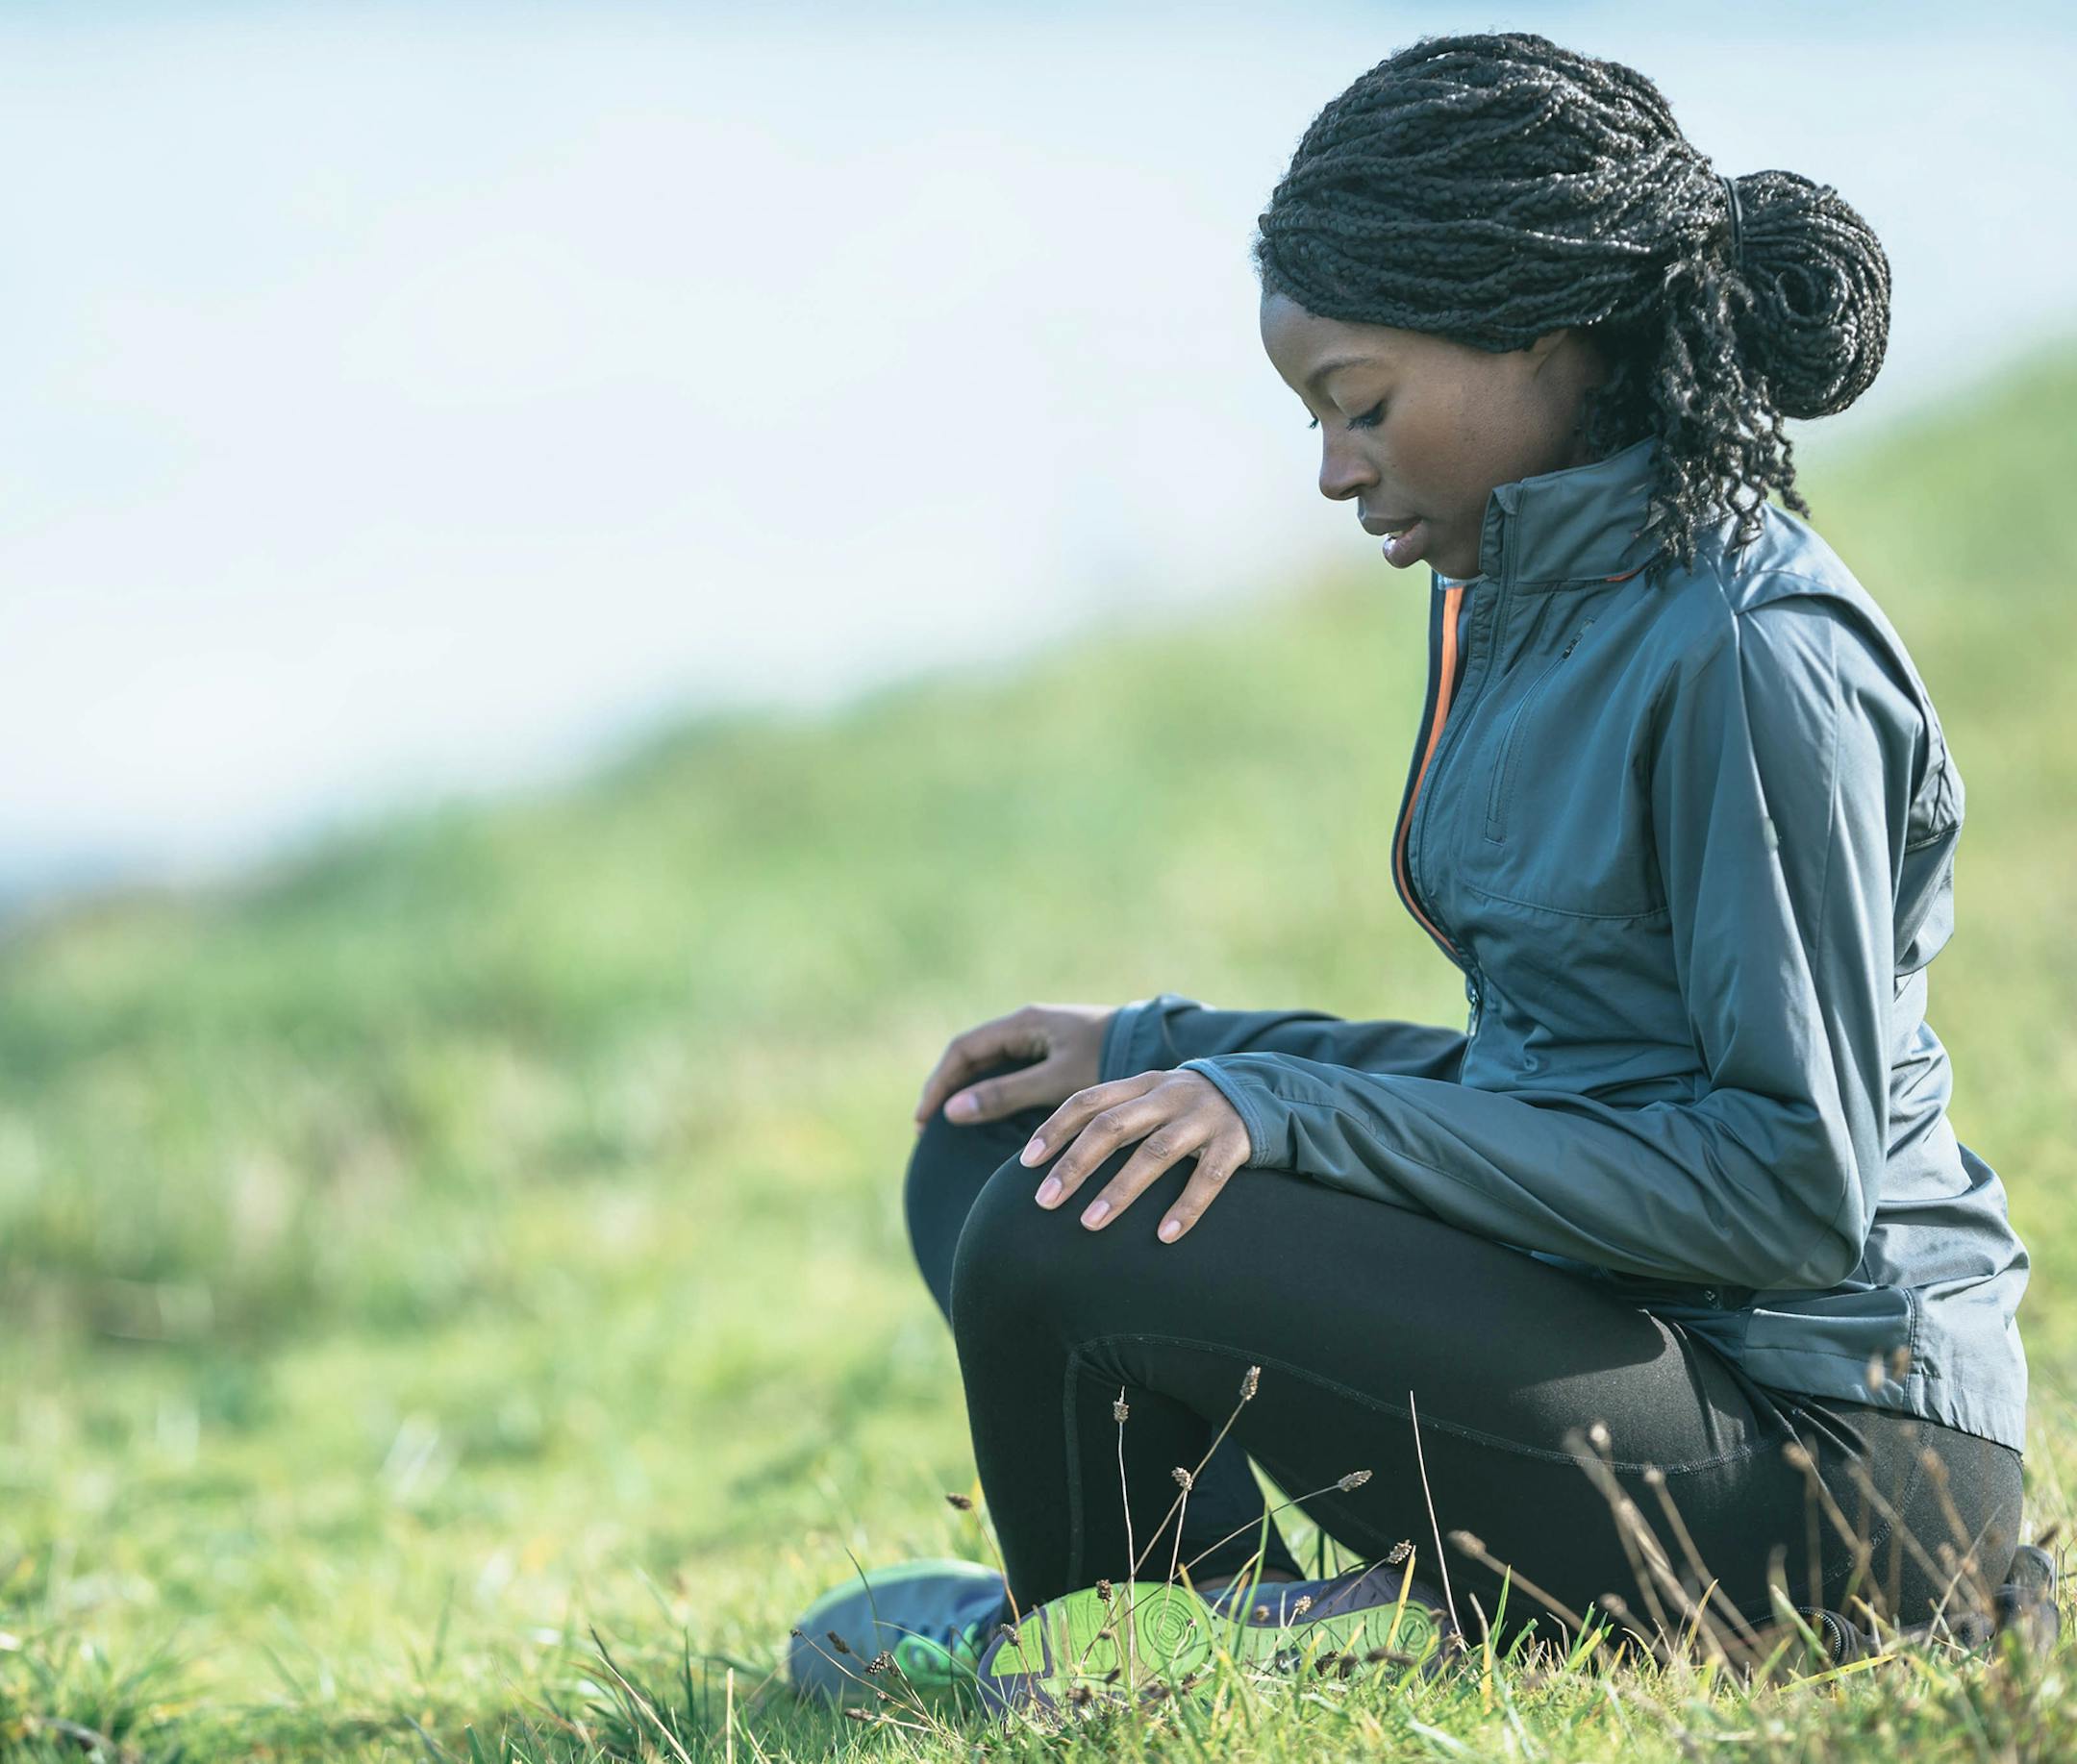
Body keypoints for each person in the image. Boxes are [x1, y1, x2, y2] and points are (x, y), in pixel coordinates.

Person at [789, 31, 2045, 1715]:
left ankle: (1112, 1659)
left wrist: (1285, 1106)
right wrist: (1169, 1050)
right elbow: (1569, 1091)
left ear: (1541, 332)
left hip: (1831, 1464)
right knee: (1014, 1145)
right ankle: (1239, 1623)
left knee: (1056, 1236)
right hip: (1634, 1330)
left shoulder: (1754, 651)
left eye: (1360, 405)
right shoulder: (1536, 603)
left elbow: (1782, 1186)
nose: (1332, 470)